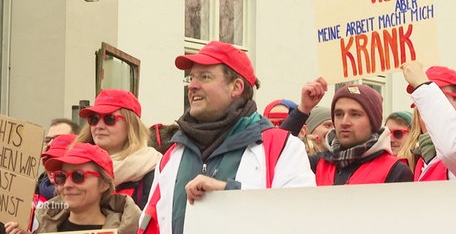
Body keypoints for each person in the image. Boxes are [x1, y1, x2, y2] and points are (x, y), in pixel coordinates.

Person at [140, 41, 315, 234]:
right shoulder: (172, 155)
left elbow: (301, 219)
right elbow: (150, 225)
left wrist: (229, 192)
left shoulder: (282, 147)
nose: (192, 86)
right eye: (191, 78)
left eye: (205, 77)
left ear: (236, 87)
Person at [4, 142, 141, 234]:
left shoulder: (129, 229)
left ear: (104, 184)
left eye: (78, 176)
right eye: (61, 177)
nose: (68, 185)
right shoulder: (43, 227)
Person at [311, 83, 413, 185]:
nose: (344, 122)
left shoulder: (396, 171)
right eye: (339, 114)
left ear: (373, 122)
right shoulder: (317, 163)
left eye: (355, 114)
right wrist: (303, 110)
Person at [75, 89, 162, 209]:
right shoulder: (71, 168)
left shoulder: (155, 171)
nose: (99, 126)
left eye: (109, 119)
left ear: (131, 124)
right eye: (93, 119)